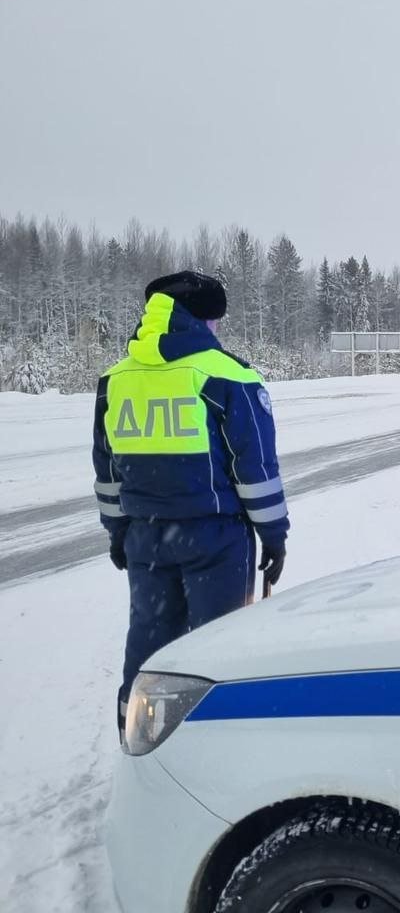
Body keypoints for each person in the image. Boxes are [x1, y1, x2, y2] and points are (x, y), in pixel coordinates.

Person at [92, 270, 289, 737]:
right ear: (203, 321)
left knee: (149, 642)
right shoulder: (227, 375)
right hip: (216, 538)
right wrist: (273, 536)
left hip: (145, 536)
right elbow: (255, 469)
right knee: (218, 646)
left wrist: (117, 530)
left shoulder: (115, 380)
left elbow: (109, 470)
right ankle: (212, 743)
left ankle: (139, 734)